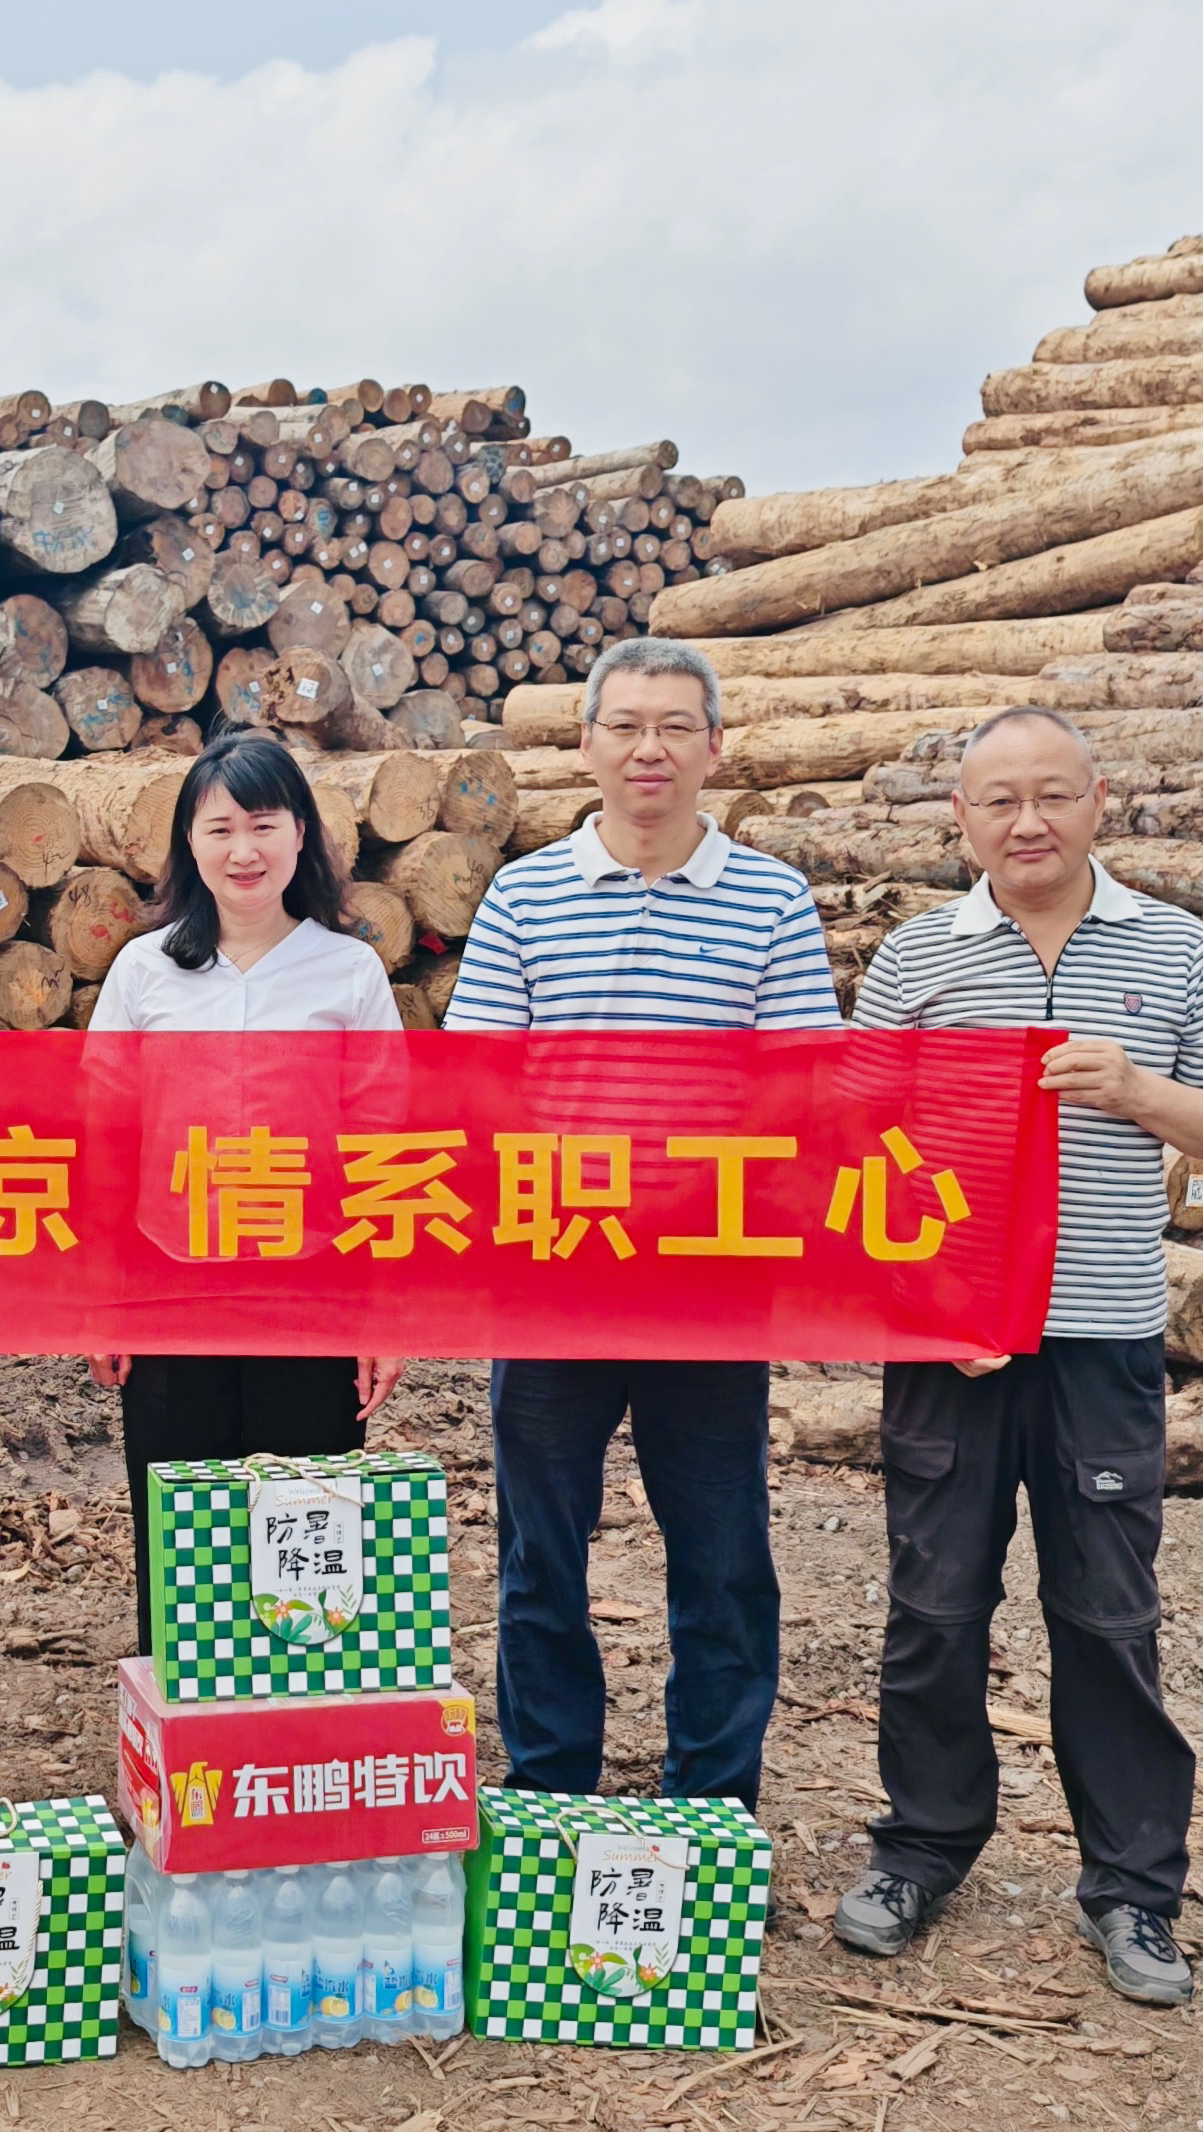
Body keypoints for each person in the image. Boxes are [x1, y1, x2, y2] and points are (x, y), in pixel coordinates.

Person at [831, 706, 1203, 2009]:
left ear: (1097, 800)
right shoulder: (919, 957)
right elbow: (852, 1145)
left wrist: (1136, 1091)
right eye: (1000, 800)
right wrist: (924, 1304)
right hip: (952, 1343)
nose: (1028, 822)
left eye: (1052, 795)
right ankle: (919, 1850)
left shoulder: (1174, 949)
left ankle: (1133, 1890)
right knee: (934, 1610)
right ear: (962, 819)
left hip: (1101, 1339)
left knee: (1108, 1616)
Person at [439, 636, 840, 1808]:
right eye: (623, 725)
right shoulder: (524, 894)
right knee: (539, 1552)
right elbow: (475, 1085)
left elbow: (803, 1090)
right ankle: (547, 1791)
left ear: (715, 745)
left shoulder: (770, 898)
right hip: (552, 1279)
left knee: (720, 1556)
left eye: (673, 725)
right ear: (585, 745)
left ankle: (710, 1801)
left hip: (708, 1285)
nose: (647, 748)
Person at [83, 733, 412, 1652]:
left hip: (310, 1284)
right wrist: (103, 1300)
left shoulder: (348, 971)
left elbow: (386, 1146)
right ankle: (182, 1706)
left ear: (301, 834)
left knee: (304, 1521)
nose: (243, 850)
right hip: (170, 1280)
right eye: (219, 828)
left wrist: (386, 1313)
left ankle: (299, 1707)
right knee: (183, 1526)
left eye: (264, 825)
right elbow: (103, 1142)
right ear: (188, 843)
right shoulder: (144, 971)